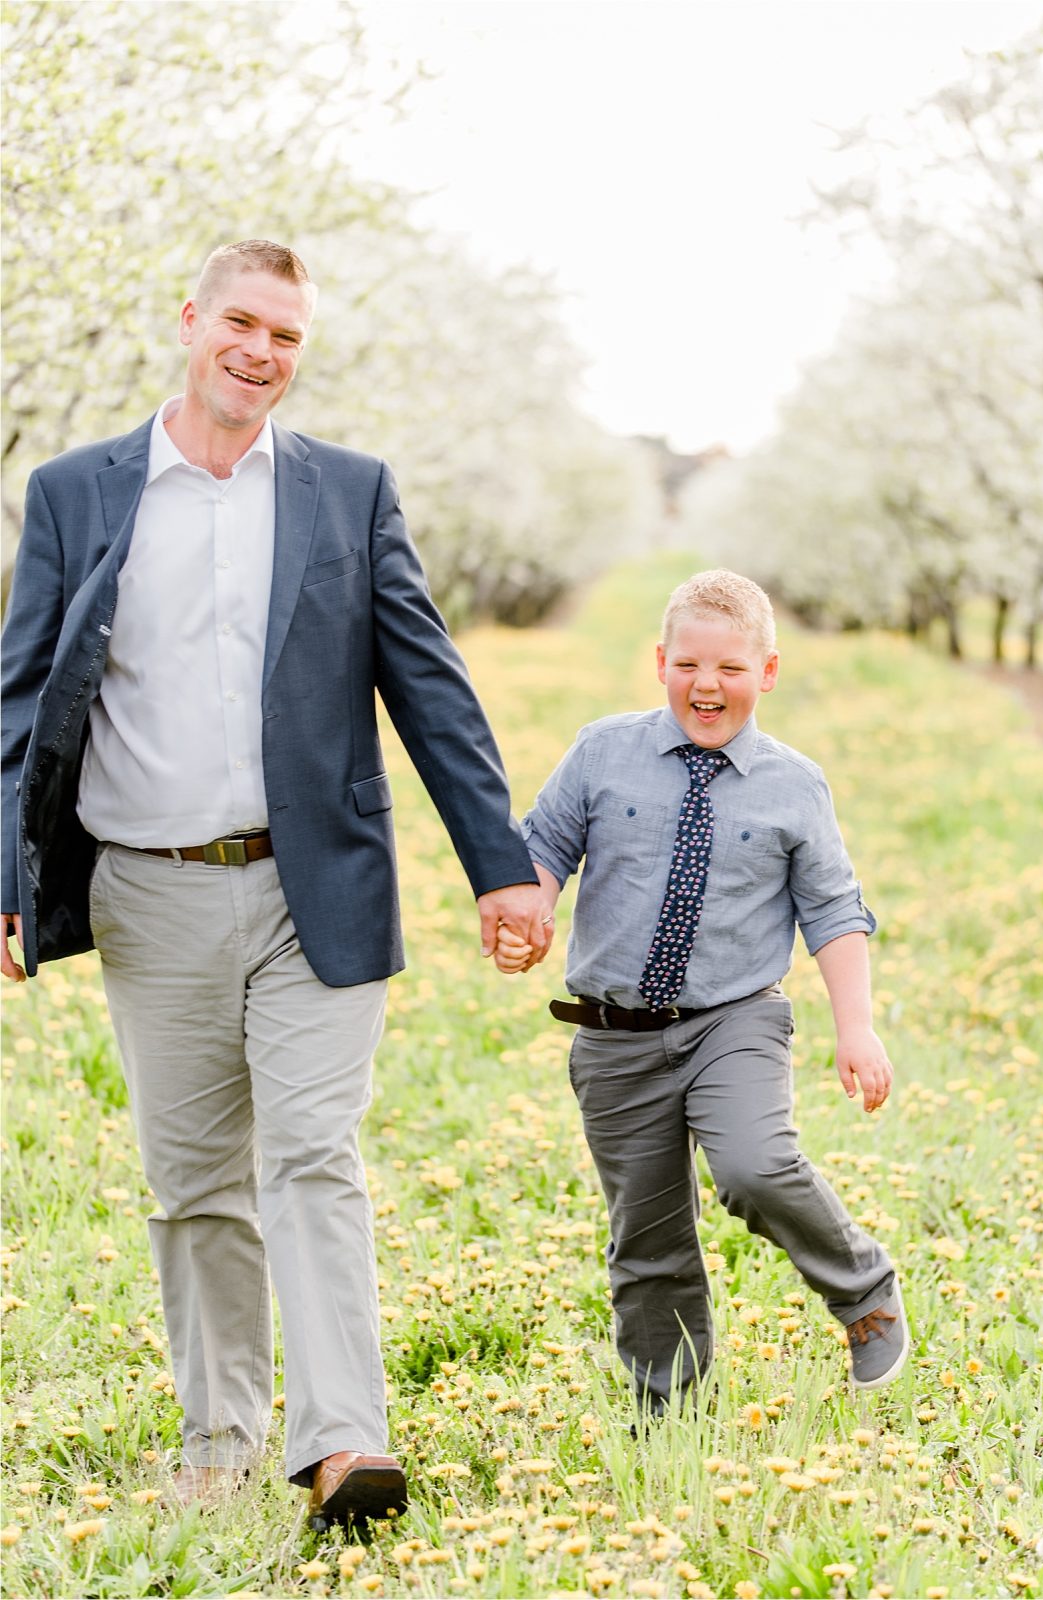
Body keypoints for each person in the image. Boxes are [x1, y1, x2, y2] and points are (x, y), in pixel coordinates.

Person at [0, 239, 551, 1525]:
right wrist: (7, 878)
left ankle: (346, 1442)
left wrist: (500, 866)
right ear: (189, 320)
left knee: (310, 1155)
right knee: (194, 1180)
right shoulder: (77, 491)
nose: (261, 352)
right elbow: (19, 700)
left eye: (288, 336)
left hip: (320, 887)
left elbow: (429, 686)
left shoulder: (348, 492)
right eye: (241, 323)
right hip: (148, 890)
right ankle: (220, 1437)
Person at [495, 568, 909, 1413]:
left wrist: (855, 1028)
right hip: (612, 1034)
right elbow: (543, 844)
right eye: (688, 665)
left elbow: (832, 910)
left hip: (735, 1019)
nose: (705, 686)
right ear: (658, 662)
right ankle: (668, 1407)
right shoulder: (601, 750)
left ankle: (862, 1291)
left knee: (755, 1166)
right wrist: (529, 908)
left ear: (766, 672)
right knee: (645, 1238)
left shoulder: (794, 783)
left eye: (727, 668)